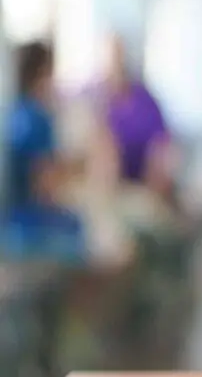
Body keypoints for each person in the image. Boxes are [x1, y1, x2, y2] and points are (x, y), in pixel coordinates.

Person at [2, 41, 86, 261]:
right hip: (29, 227)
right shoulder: (38, 118)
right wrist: (76, 168)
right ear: (42, 73)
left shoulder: (13, 112)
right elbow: (45, 187)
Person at [96, 33, 179, 209]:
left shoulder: (145, 101)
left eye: (119, 58)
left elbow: (162, 148)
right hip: (120, 192)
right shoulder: (103, 107)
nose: (115, 65)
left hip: (150, 189)